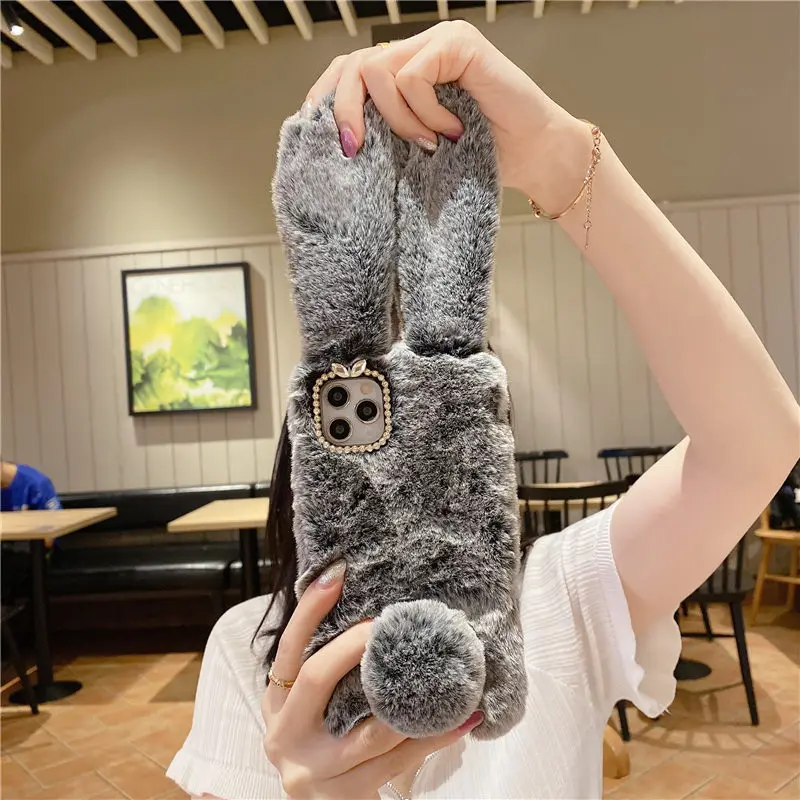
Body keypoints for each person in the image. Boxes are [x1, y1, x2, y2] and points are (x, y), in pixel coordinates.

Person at [167, 22, 800, 800]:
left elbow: (756, 446)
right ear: (310, 441)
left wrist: (561, 159)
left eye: (444, 419)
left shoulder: (554, 601)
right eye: (365, 413)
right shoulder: (245, 652)